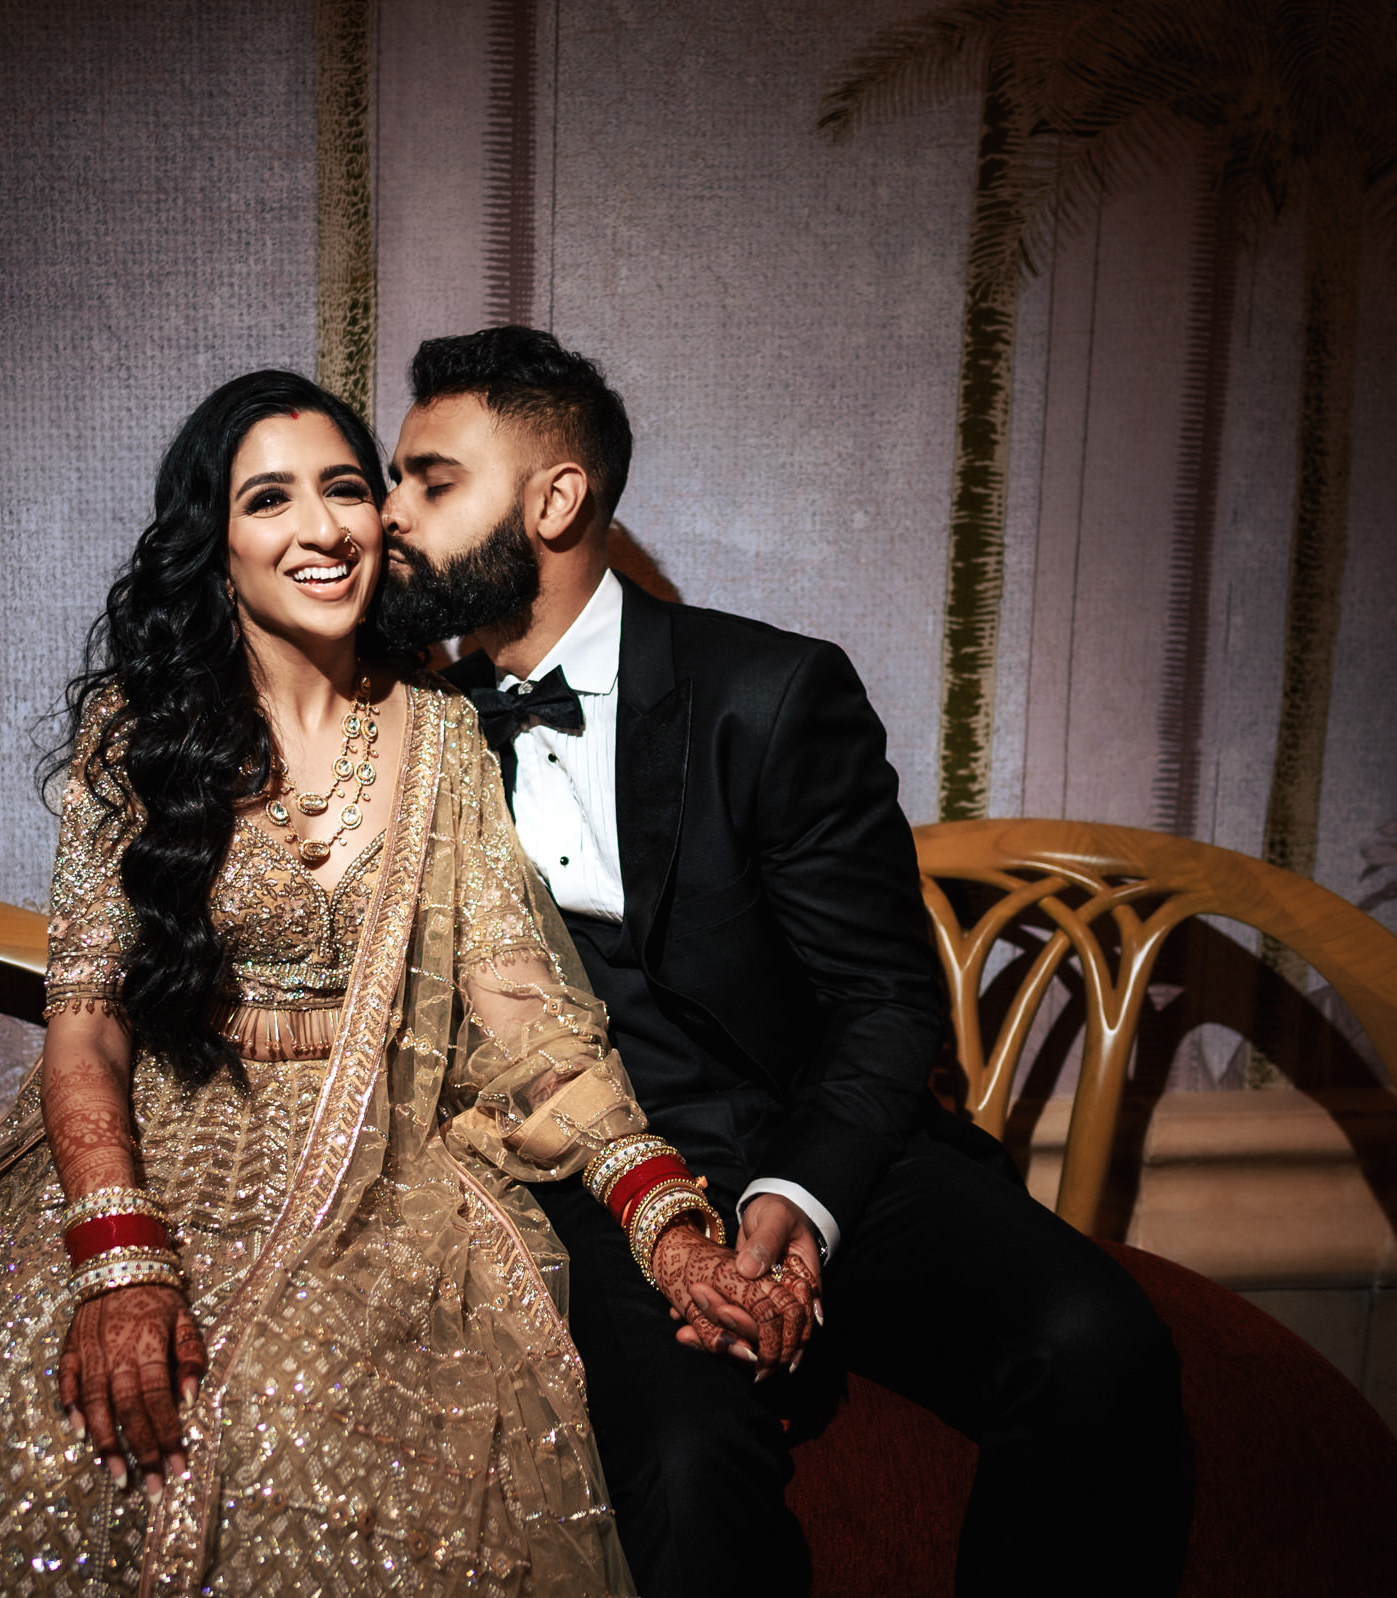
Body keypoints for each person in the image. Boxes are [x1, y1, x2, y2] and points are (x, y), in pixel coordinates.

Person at [0, 369, 811, 1595]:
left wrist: (670, 1224)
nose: (325, 525)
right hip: (158, 1154)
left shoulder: (442, 738)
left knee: (290, 1415)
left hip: (384, 1176)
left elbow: (528, 1019)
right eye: (269, 495)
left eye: (349, 487)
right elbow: (89, 1027)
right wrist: (119, 1258)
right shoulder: (143, 734)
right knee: (31, 1430)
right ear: (215, 541)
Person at [381, 327, 1195, 1597]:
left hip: (805, 1135)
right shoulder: (404, 731)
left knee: (1097, 1338)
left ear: (554, 497)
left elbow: (881, 996)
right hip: (581, 1175)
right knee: (689, 1463)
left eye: (430, 480)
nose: (388, 515)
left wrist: (798, 1204)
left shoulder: (767, 693)